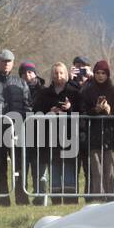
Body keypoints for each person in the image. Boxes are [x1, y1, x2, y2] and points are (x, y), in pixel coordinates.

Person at [0, 48, 31, 204]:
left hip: (17, 130)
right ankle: (3, 200)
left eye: (9, 61)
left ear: (13, 63)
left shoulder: (21, 82)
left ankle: (22, 198)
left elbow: (27, 106)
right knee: (0, 167)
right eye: (3, 61)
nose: (6, 64)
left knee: (19, 166)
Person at [32, 62, 78, 201]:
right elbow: (36, 111)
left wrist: (70, 107)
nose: (58, 76)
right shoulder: (44, 93)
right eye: (56, 73)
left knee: (69, 166)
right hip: (50, 135)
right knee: (55, 166)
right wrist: (49, 111)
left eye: (61, 73)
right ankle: (56, 199)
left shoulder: (74, 92)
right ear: (52, 75)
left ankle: (70, 199)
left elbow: (82, 110)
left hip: (69, 134)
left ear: (66, 74)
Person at [78, 60, 114, 197]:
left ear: (108, 74)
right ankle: (98, 200)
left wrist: (109, 110)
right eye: (97, 73)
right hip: (93, 136)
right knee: (97, 172)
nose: (100, 76)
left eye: (103, 73)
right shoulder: (87, 91)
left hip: (110, 135)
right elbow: (83, 111)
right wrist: (95, 109)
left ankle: (111, 199)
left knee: (110, 171)